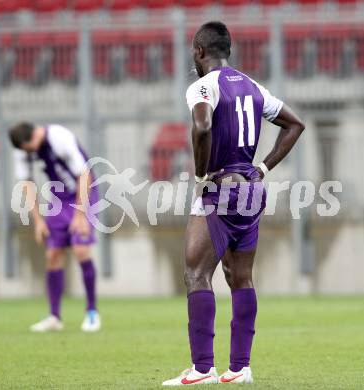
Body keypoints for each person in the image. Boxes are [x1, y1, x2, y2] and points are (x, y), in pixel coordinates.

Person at [163, 21, 305, 386]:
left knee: (196, 274)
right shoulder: (253, 87)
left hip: (219, 187)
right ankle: (240, 368)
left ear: (199, 52)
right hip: (251, 189)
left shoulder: (202, 86)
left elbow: (203, 126)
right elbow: (295, 125)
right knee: (240, 276)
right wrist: (262, 167)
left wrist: (200, 176)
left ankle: (202, 368)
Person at [9, 122, 101, 333]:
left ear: (32, 137)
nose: (29, 153)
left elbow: (85, 174)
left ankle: (92, 312)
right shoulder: (22, 150)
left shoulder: (59, 137)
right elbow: (27, 183)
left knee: (81, 250)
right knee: (52, 255)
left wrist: (80, 214)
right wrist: (38, 221)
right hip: (59, 200)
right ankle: (54, 316)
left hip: (84, 194)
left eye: (28, 148)